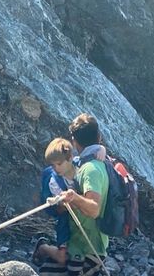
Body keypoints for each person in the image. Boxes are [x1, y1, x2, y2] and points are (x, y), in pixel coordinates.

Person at [61, 113, 110, 275]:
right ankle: (45, 250)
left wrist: (74, 198)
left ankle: (43, 249)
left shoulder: (91, 169)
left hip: (88, 249)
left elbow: (94, 209)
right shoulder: (93, 161)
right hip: (82, 244)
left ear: (74, 141)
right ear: (99, 136)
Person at [33, 138, 77, 267]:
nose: (56, 168)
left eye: (58, 164)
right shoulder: (54, 181)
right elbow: (60, 209)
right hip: (65, 219)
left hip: (81, 218)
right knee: (62, 258)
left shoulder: (81, 169)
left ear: (70, 158)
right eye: (53, 165)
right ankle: (43, 248)